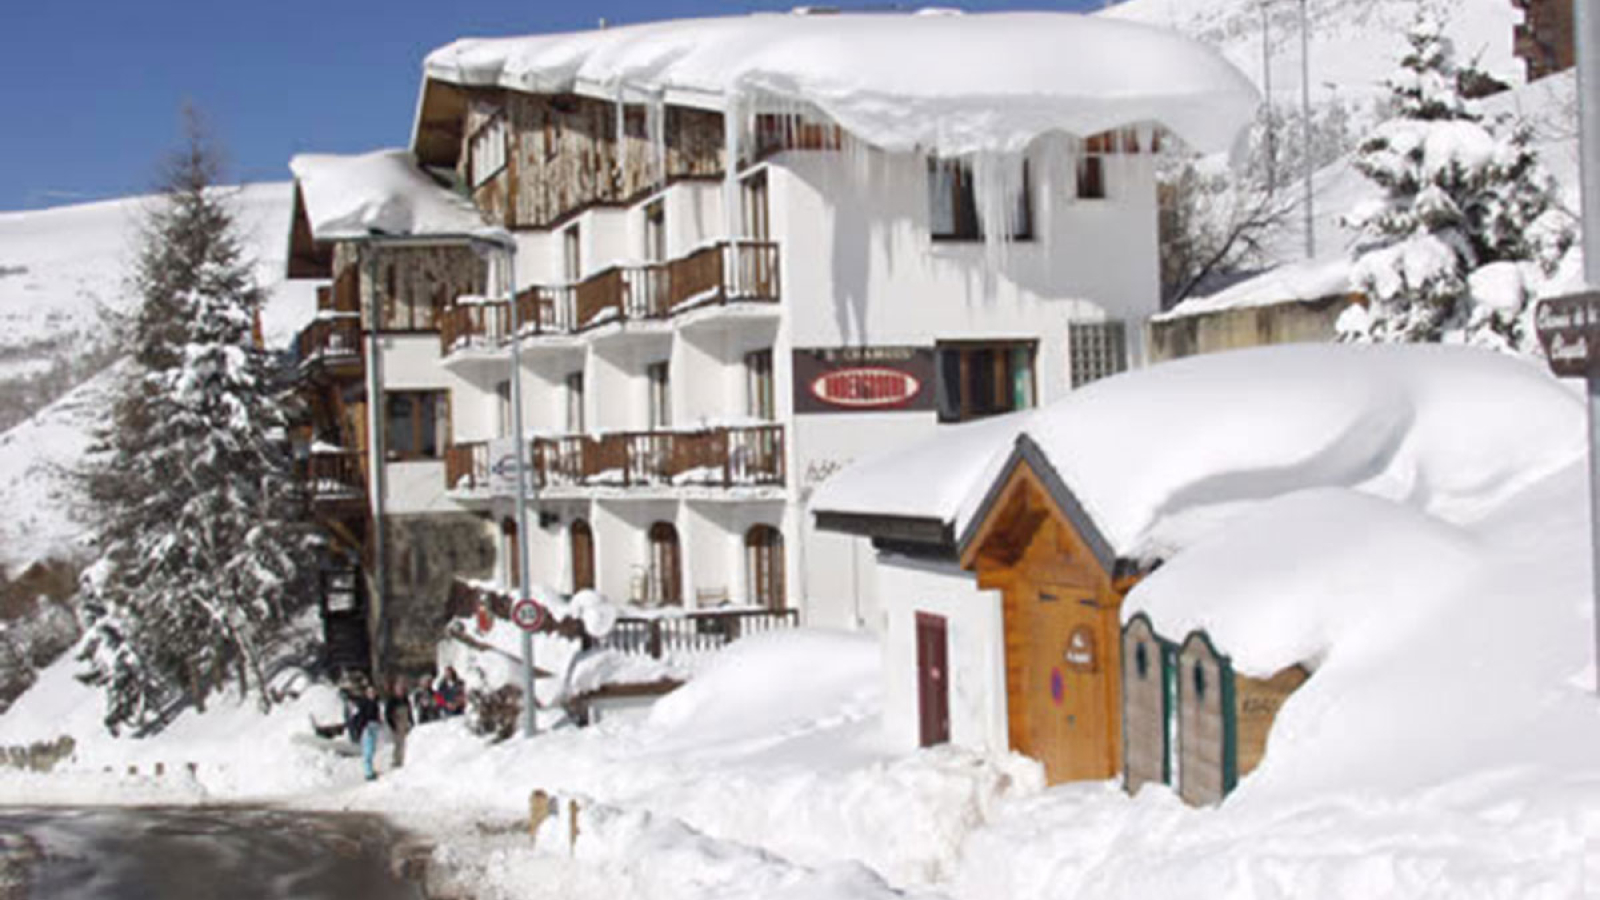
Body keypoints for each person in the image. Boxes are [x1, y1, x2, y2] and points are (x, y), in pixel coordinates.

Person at [353, 683, 382, 781]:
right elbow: (361, 717)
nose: (372, 694)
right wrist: (363, 727)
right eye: (370, 692)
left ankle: (371, 769)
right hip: (367, 727)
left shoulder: (375, 703)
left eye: (373, 692)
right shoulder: (364, 703)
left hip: (374, 726)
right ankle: (368, 772)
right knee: (368, 750)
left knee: (372, 749)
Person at [386, 676, 414, 768]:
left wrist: (411, 722)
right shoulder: (392, 700)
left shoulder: (405, 699)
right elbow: (388, 714)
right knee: (398, 743)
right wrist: (392, 725)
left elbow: (410, 712)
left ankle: (406, 759)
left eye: (402, 688)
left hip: (405, 722)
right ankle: (397, 760)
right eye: (399, 688)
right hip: (397, 723)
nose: (401, 690)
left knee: (407, 742)